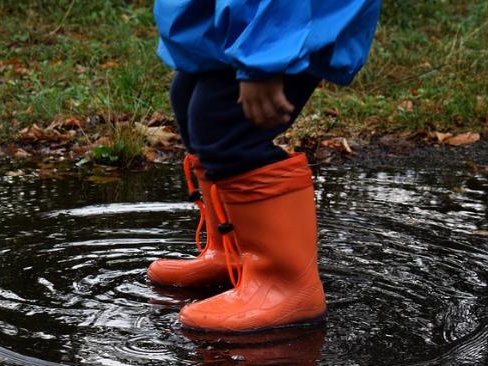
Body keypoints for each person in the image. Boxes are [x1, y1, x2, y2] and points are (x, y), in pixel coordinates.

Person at [149, 0, 381, 333]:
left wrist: (265, 59)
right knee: (189, 102)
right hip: (236, 23)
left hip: (279, 25)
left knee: (225, 128)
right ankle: (233, 253)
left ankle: (285, 286)